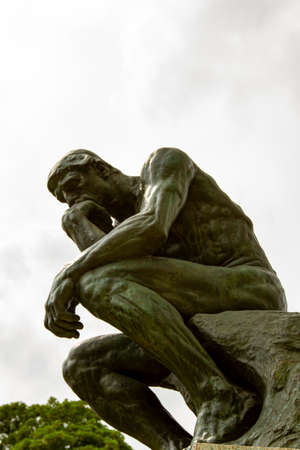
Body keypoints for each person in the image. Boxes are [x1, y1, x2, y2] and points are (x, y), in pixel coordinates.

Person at [44, 147, 286, 450]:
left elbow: (153, 226)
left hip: (247, 287)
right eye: (63, 199)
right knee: (81, 365)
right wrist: (76, 224)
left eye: (73, 186)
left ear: (101, 169)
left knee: (93, 281)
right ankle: (177, 446)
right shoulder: (123, 230)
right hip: (186, 318)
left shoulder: (164, 165)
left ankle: (219, 396)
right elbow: (104, 264)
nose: (71, 200)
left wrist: (69, 273)